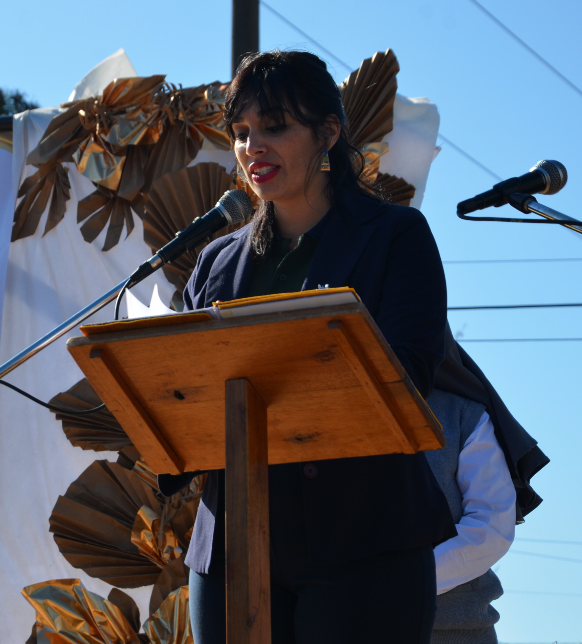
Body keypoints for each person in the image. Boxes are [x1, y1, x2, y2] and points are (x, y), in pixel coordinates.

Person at [160, 50, 457, 644]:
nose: (252, 148)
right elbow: (179, 394)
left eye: (275, 127)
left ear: (328, 133)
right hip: (231, 550)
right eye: (241, 133)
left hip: (362, 544)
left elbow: (408, 378)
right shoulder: (217, 261)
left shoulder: (395, 238)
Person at [424, 389, 516, 644]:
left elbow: (492, 526)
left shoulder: (460, 415)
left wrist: (405, 580)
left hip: (453, 631)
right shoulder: (319, 410)